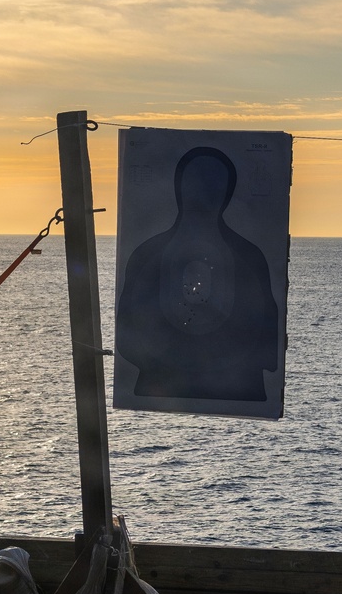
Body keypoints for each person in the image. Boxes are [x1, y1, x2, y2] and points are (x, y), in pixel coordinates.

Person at [115, 146, 280, 402]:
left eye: (213, 183)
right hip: (160, 384)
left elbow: (267, 340)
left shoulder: (249, 256)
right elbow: (128, 335)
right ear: (179, 188)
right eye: (196, 182)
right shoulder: (147, 255)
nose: (204, 193)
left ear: (227, 191)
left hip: (238, 388)